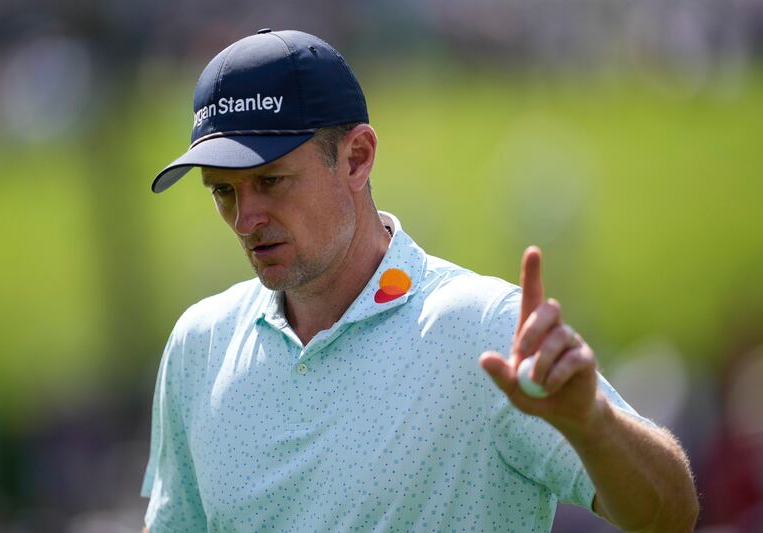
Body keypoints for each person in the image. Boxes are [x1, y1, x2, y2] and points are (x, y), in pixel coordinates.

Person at [140, 29, 698, 532]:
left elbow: (670, 514)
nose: (245, 219)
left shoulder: (483, 329)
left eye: (272, 180)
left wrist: (592, 424)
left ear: (356, 158)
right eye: (223, 191)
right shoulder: (200, 345)